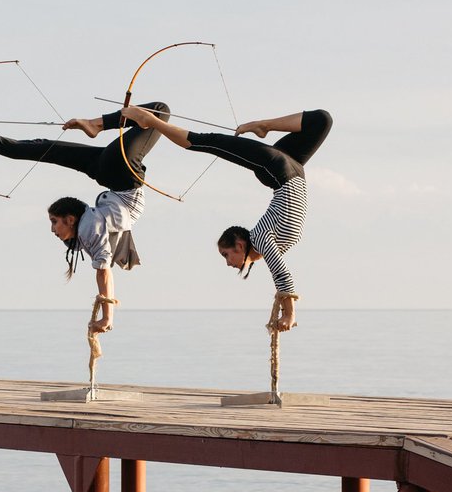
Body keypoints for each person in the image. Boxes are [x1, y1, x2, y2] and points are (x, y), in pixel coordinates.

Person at [0, 102, 170, 334]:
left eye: (53, 222)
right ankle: (97, 124)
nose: (52, 230)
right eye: (54, 222)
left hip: (108, 173)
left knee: (41, 148)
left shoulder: (86, 231)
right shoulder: (90, 228)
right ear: (70, 219)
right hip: (122, 175)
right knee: (159, 111)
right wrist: (107, 315)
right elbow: (103, 271)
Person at [120, 106, 333, 332]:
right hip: (284, 169)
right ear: (240, 244)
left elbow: (278, 270)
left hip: (285, 169)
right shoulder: (262, 240)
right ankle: (152, 121)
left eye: (225, 255)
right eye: (226, 255)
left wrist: (285, 310)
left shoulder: (262, 240)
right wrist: (289, 313)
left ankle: (263, 125)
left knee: (321, 120)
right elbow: (281, 273)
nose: (227, 262)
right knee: (206, 141)